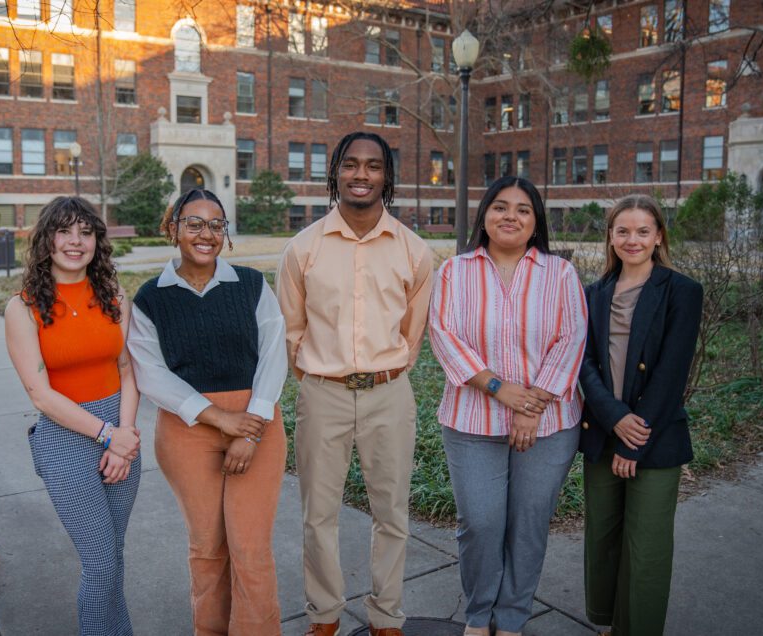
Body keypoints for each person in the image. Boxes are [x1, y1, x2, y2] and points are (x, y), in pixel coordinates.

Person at [276, 131, 433, 636]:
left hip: (390, 394)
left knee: (392, 513)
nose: (361, 174)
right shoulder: (303, 249)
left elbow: (413, 334)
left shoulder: (413, 250)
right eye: (350, 165)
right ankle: (324, 615)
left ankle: (386, 615)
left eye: (372, 166)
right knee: (318, 514)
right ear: (335, 174)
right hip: (324, 394)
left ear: (386, 177)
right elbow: (292, 330)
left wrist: (385, 374)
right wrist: (323, 378)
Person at [428, 176, 587, 636]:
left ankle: (512, 618)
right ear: (484, 217)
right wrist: (501, 390)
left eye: (522, 209)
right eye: (499, 207)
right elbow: (444, 336)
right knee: (479, 523)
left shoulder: (559, 274)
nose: (510, 216)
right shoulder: (455, 272)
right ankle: (479, 618)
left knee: (528, 525)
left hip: (549, 423)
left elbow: (572, 338)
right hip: (471, 420)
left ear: (536, 222)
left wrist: (528, 407)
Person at [128, 188, 288, 636]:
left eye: (216, 225)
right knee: (207, 547)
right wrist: (219, 419)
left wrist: (249, 429)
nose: (206, 234)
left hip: (257, 426)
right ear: (173, 228)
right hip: (187, 432)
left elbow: (275, 355)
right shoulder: (150, 298)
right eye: (194, 223)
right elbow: (152, 374)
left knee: (251, 548)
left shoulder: (252, 285)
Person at [3, 196, 142, 636]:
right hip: (66, 441)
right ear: (46, 240)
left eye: (85, 232)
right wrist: (108, 436)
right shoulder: (22, 308)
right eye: (65, 231)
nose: (75, 242)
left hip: (119, 433)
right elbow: (40, 395)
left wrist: (125, 435)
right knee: (99, 564)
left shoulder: (115, 297)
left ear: (97, 242)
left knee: (114, 556)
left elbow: (127, 371)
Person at [577, 194, 703, 636]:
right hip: (602, 431)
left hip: (654, 436)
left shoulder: (681, 291)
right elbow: (585, 364)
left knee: (645, 546)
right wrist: (614, 418)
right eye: (623, 231)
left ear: (659, 237)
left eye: (643, 231)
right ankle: (608, 623)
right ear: (610, 237)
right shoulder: (593, 294)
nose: (633, 240)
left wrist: (634, 438)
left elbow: (671, 373)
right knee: (603, 539)